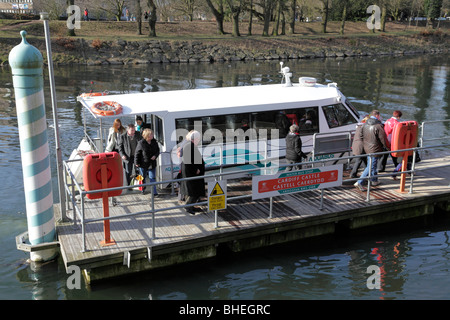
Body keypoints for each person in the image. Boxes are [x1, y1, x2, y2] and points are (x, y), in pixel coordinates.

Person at [354, 110, 389, 191]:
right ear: (377, 115)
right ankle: (359, 182)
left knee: (372, 164)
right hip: (375, 149)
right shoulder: (378, 126)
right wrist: (387, 147)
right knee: (371, 166)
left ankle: (374, 180)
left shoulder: (365, 124)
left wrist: (366, 144)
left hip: (367, 148)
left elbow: (361, 136)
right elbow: (383, 138)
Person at [180, 130, 205, 214]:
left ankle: (191, 206)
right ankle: (188, 206)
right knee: (193, 191)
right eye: (198, 139)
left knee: (192, 191)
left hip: (191, 172)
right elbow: (188, 160)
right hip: (191, 173)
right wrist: (196, 169)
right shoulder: (189, 146)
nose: (199, 140)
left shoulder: (190, 145)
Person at [135, 128, 160, 195]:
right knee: (142, 177)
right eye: (151, 134)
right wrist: (137, 163)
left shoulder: (154, 142)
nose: (152, 135)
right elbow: (137, 153)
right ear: (147, 135)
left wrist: (155, 156)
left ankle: (154, 192)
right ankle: (142, 189)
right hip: (143, 163)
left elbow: (158, 150)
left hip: (152, 163)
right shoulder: (141, 143)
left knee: (152, 178)